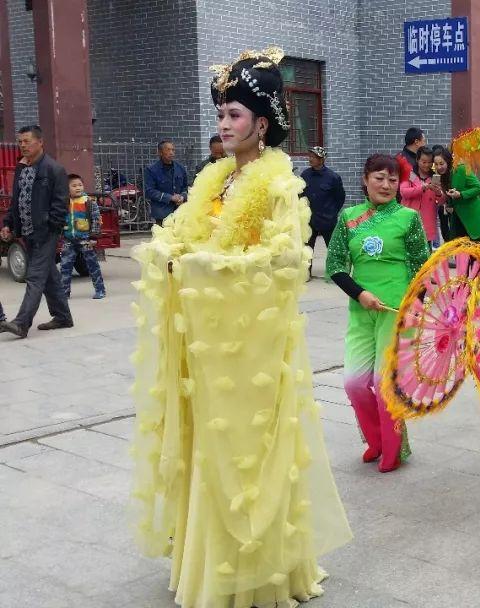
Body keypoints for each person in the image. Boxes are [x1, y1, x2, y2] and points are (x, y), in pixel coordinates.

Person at [129, 48, 352, 607]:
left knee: (249, 451)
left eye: (234, 114)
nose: (224, 125)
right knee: (208, 446)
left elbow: (286, 262)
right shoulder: (217, 180)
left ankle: (258, 570)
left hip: (251, 347)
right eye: (221, 114)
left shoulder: (280, 184)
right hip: (209, 344)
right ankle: (211, 564)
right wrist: (166, 252)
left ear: (263, 121)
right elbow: (180, 232)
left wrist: (205, 267)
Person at [326, 154, 429, 473]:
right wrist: (360, 293)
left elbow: (421, 268)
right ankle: (376, 439)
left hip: (396, 311)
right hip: (362, 309)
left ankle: (393, 447)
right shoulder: (349, 217)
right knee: (354, 382)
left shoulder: (408, 218)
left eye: (392, 180)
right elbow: (334, 265)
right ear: (365, 179)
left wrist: (416, 304)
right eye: (379, 178)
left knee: (385, 382)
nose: (386, 185)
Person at [0, 125, 73, 339]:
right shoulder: (21, 168)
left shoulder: (54, 169)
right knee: (49, 275)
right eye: (20, 141)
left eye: (27, 141)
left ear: (40, 142)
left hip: (46, 232)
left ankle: (21, 323)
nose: (23, 145)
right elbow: (17, 201)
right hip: (27, 232)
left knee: (35, 277)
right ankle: (63, 316)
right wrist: (9, 224)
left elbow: (61, 204)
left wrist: (52, 227)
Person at [59, 174, 106, 300]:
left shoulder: (89, 202)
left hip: (86, 239)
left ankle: (100, 290)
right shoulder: (64, 203)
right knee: (65, 266)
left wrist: (94, 237)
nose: (78, 188)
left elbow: (96, 220)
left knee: (92, 265)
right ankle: (64, 292)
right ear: (67, 188)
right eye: (74, 186)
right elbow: (60, 219)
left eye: (80, 185)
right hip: (68, 239)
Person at [301, 145, 346, 275]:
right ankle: (306, 273)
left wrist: (331, 212)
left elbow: (340, 198)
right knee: (307, 248)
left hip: (327, 219)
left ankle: (336, 273)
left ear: (322, 159)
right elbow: (301, 195)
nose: (310, 159)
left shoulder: (333, 177)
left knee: (333, 248)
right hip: (309, 219)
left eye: (313, 157)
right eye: (310, 156)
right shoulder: (305, 175)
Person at [432, 147, 480, 241]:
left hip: (473, 218)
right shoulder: (441, 176)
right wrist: (440, 194)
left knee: (478, 252)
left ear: (448, 161)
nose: (439, 167)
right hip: (457, 220)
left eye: (441, 163)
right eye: (436, 164)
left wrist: (461, 194)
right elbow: (445, 198)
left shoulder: (461, 169)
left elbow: (479, 188)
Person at [399, 146, 443, 247]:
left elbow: (441, 201)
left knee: (427, 257)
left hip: (427, 224)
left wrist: (438, 193)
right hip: (408, 221)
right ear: (417, 160)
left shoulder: (435, 177)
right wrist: (422, 188)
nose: (427, 165)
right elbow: (403, 192)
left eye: (429, 162)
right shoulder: (409, 174)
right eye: (424, 162)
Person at [144, 138, 189, 225]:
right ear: (160, 152)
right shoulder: (151, 170)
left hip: (180, 212)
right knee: (163, 237)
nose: (171, 152)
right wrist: (170, 198)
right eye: (168, 150)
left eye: (173, 150)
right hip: (162, 213)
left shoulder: (180, 168)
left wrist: (182, 197)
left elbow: (186, 187)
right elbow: (149, 191)